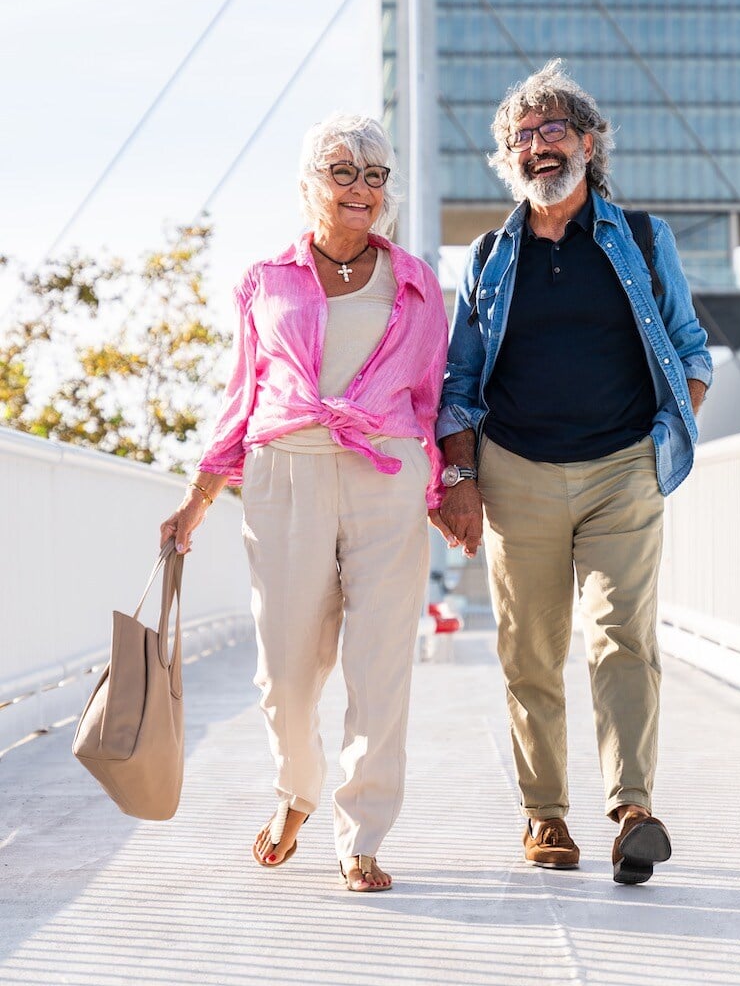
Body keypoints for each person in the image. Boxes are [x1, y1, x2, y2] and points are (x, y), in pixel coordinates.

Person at [432, 61, 712, 883]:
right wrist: (460, 478)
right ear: (507, 159)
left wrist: (666, 430)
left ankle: (632, 810)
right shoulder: (488, 255)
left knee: (622, 635)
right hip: (515, 473)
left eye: (554, 129)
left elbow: (692, 352)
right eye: (522, 135)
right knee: (530, 651)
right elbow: (458, 384)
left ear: (589, 143)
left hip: (621, 467)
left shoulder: (645, 239)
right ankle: (545, 815)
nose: (538, 145)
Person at [160, 113, 448, 892]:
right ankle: (297, 791)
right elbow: (238, 396)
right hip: (282, 472)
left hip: (385, 474)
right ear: (308, 184)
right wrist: (198, 496)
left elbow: (432, 401)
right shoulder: (265, 281)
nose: (362, 189)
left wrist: (447, 486)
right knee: (284, 671)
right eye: (343, 172)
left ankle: (361, 835)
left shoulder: (418, 283)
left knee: (380, 664)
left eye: (377, 175)